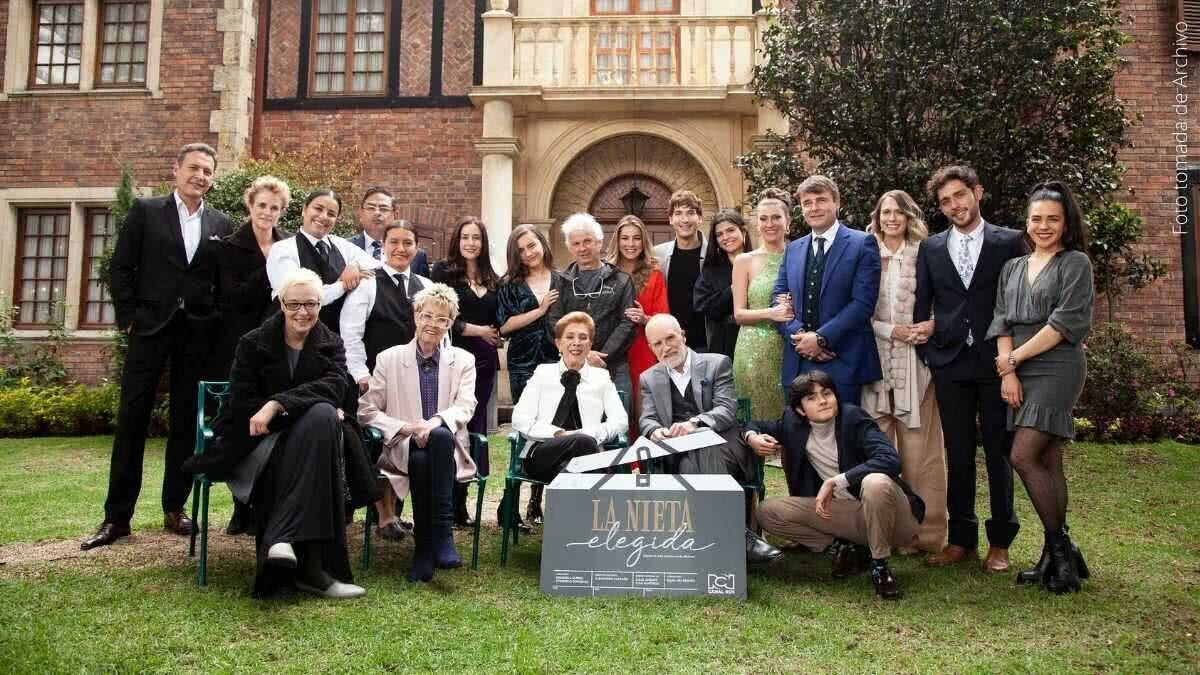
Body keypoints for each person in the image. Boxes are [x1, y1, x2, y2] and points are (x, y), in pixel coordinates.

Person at [182, 268, 379, 598]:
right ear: (281, 305)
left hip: (307, 443)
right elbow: (244, 404)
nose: (303, 312)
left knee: (320, 417)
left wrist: (278, 403)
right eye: (294, 304)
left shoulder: (331, 343)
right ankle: (315, 573)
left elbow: (333, 387)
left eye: (311, 304)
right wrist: (296, 415)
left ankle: (282, 539)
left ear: (320, 305)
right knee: (319, 421)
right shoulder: (252, 343)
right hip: (255, 446)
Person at [82, 143, 233, 551]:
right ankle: (117, 517)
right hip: (149, 329)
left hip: (196, 335)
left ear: (213, 178)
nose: (200, 176)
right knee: (132, 419)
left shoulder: (222, 222)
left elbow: (224, 279)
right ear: (176, 170)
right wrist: (129, 317)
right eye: (194, 168)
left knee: (186, 422)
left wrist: (214, 320)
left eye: (207, 170)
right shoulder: (146, 212)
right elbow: (121, 267)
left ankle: (174, 508)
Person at [915, 165, 1025, 572]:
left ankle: (1000, 542)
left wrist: (1014, 358)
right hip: (950, 363)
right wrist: (930, 352)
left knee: (998, 453)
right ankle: (961, 538)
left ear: (977, 193)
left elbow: (1019, 303)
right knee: (956, 452)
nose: (954, 205)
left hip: (997, 362)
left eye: (960, 195)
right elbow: (924, 305)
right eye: (945, 201)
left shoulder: (1010, 241)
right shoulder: (932, 248)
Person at [987, 181, 1094, 593]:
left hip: (1057, 367)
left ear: (1066, 223)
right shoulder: (1012, 268)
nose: (1044, 226)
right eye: (1037, 219)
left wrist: (1014, 359)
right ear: (1027, 223)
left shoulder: (1075, 263)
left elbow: (1064, 324)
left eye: (1053, 219)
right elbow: (1001, 322)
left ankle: (1059, 550)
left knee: (1023, 454)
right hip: (1017, 368)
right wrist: (1009, 371)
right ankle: (1060, 555)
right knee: (1048, 459)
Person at [748, 371, 926, 600]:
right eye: (812, 398)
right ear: (800, 410)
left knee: (875, 481)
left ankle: (880, 566)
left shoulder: (853, 418)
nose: (822, 401)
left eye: (827, 393)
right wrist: (752, 437)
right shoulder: (793, 424)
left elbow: (890, 459)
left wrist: (837, 480)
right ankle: (849, 547)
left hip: (894, 518)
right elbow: (753, 423)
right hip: (850, 517)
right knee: (767, 512)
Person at [358, 284, 479, 582]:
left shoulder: (463, 360)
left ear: (450, 324)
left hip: (446, 447)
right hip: (402, 446)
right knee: (424, 451)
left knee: (435, 442)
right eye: (427, 316)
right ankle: (442, 536)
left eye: (442, 319)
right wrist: (407, 427)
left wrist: (434, 422)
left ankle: (425, 548)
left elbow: (466, 405)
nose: (433, 324)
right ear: (415, 316)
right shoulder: (389, 358)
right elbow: (366, 411)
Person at [639, 314, 782, 565]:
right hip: (680, 455)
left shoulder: (717, 364)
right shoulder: (648, 378)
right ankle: (737, 539)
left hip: (724, 445)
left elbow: (726, 411)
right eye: (657, 344)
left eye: (670, 338)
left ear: (683, 334)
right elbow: (647, 419)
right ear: (650, 348)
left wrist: (695, 424)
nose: (666, 347)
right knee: (688, 465)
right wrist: (654, 431)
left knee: (703, 447)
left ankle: (716, 543)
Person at [860, 190, 947, 553]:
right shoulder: (865, 253)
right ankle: (883, 531)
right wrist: (888, 330)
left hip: (915, 363)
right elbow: (858, 307)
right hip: (874, 359)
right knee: (878, 448)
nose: (891, 219)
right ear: (877, 217)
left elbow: (945, 299)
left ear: (909, 217)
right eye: (885, 213)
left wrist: (931, 325)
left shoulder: (925, 253)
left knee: (920, 452)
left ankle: (924, 535)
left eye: (898, 212)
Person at [213, 175, 291, 536]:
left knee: (273, 423)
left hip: (278, 346)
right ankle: (239, 506)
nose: (267, 213)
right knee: (242, 422)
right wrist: (270, 269)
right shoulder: (230, 247)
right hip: (241, 345)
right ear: (250, 205)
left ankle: (264, 506)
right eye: (262, 205)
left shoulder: (288, 246)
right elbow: (232, 297)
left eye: (275, 208)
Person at [773, 175, 882, 406]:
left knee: (844, 437)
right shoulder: (793, 249)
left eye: (821, 200)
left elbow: (863, 303)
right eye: (807, 203)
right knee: (799, 437)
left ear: (837, 203)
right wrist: (801, 338)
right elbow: (779, 299)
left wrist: (822, 339)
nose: (814, 208)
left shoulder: (862, 243)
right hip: (799, 359)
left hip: (842, 358)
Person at [431, 216, 501, 527]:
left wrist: (497, 332)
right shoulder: (443, 272)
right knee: (453, 426)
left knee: (475, 430)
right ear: (457, 241)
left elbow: (499, 319)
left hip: (485, 364)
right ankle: (445, 505)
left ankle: (462, 505)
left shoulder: (492, 276)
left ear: (483, 243)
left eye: (476, 238)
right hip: (454, 360)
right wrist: (479, 331)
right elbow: (442, 316)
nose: (471, 243)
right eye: (465, 237)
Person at [511, 312, 628, 485]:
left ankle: (563, 509)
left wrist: (588, 435)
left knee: (573, 464)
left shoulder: (601, 377)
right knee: (582, 447)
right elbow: (519, 418)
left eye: (583, 337)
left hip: (586, 454)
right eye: (570, 337)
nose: (576, 343)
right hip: (544, 451)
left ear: (590, 345)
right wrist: (558, 434)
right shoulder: (543, 373)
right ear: (559, 343)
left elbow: (620, 421)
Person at [496, 224, 562, 527]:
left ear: (542, 244)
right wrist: (540, 310)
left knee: (551, 429)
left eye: (531, 246)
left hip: (555, 364)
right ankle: (510, 504)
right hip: (523, 364)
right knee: (526, 429)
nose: (528, 253)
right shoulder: (509, 283)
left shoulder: (562, 279)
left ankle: (537, 503)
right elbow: (504, 326)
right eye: (521, 250)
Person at [545, 213, 636, 409]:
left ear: (599, 243)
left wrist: (600, 356)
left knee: (618, 426)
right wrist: (585, 355)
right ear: (569, 247)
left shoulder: (621, 280)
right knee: (578, 426)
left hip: (614, 366)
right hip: (573, 365)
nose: (582, 248)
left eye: (588, 241)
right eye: (576, 243)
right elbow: (555, 322)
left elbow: (627, 323)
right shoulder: (560, 281)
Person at [266, 189, 378, 333]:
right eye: (318, 209)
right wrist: (343, 285)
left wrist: (355, 265)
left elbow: (376, 264)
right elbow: (297, 297)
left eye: (331, 214)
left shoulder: (340, 245)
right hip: (293, 335)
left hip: (336, 337)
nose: (324, 216)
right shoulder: (283, 249)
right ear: (304, 209)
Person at [341, 221, 432, 393]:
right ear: (383, 244)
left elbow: (440, 335)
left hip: (419, 380)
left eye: (407, 243)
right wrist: (361, 374)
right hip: (376, 381)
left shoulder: (427, 286)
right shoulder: (367, 283)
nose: (401, 248)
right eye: (394, 242)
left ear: (416, 247)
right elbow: (350, 334)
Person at [732, 189, 794, 421]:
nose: (770, 224)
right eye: (763, 218)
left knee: (789, 418)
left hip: (790, 349)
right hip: (752, 353)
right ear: (756, 224)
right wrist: (772, 313)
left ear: (788, 221)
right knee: (754, 421)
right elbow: (738, 314)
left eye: (776, 217)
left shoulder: (800, 255)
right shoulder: (744, 261)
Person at [605, 214, 669, 416]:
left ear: (643, 241)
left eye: (636, 238)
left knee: (643, 408)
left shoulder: (654, 273)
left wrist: (644, 319)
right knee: (618, 409)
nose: (630, 244)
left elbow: (664, 319)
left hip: (643, 347)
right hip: (612, 349)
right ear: (617, 241)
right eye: (625, 238)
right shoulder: (606, 272)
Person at [653, 189, 708, 351]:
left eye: (690, 213)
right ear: (670, 219)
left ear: (700, 218)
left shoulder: (714, 254)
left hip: (706, 343)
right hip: (670, 345)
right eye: (678, 213)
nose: (684, 219)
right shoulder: (658, 255)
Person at [694, 209, 749, 359]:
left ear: (743, 231)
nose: (726, 237)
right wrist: (733, 289)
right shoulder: (711, 271)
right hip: (724, 344)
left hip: (757, 338)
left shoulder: (758, 261)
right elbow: (703, 306)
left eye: (730, 230)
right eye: (720, 234)